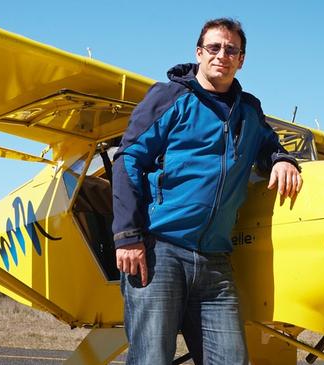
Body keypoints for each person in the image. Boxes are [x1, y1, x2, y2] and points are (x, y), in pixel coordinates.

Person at [111, 18, 302, 365]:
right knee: (151, 358)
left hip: (215, 261)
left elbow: (269, 145)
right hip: (160, 252)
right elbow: (128, 159)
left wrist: (281, 159)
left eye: (231, 49)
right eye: (214, 48)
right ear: (199, 53)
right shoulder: (169, 97)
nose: (222, 55)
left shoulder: (249, 110)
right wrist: (127, 235)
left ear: (241, 59)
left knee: (231, 360)